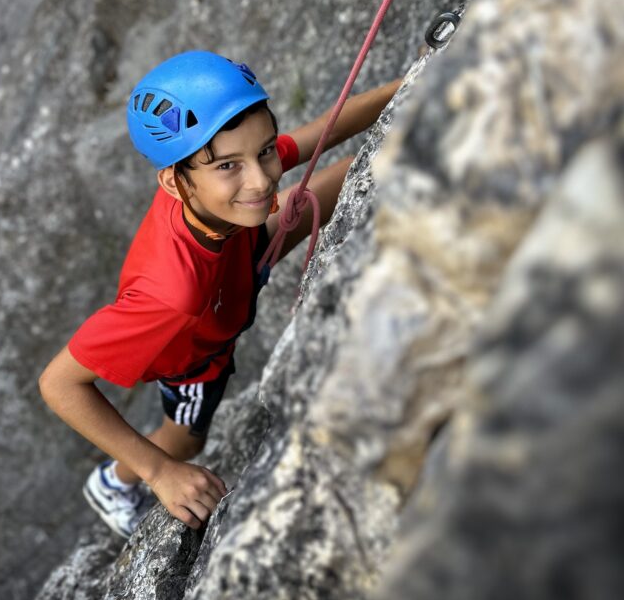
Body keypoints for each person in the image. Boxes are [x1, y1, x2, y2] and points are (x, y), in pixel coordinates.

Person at [39, 51, 400, 539]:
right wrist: (159, 471)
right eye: (230, 165)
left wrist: (408, 84)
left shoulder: (218, 180)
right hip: (195, 360)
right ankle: (113, 483)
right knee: (185, 441)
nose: (261, 178)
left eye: (265, 151)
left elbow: (320, 132)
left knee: (355, 173)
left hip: (240, 253)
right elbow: (59, 384)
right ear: (174, 182)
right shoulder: (172, 295)